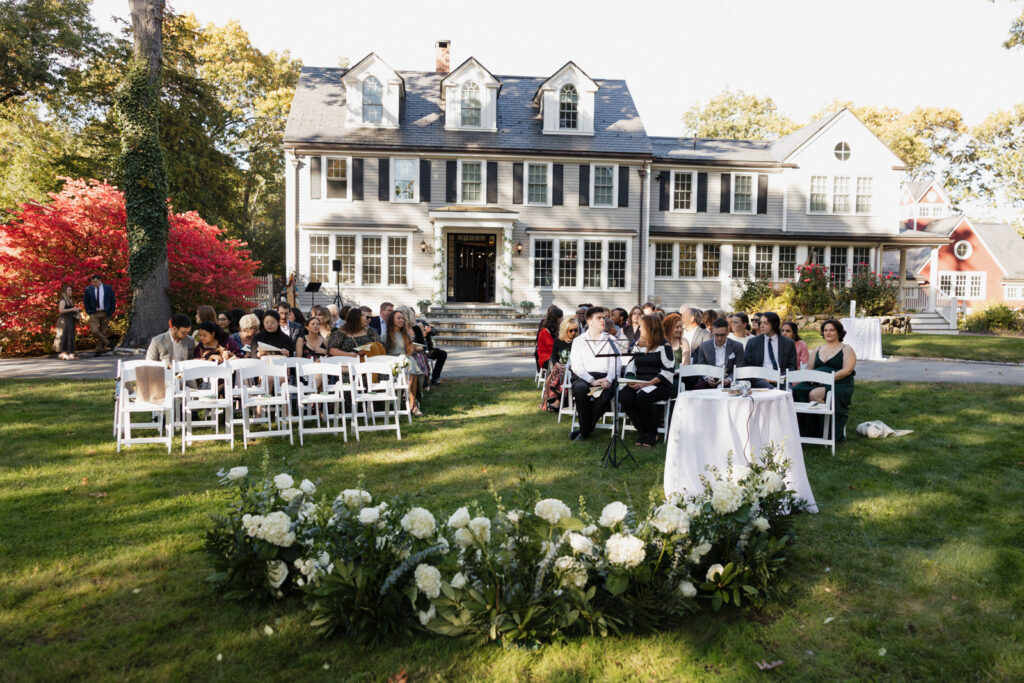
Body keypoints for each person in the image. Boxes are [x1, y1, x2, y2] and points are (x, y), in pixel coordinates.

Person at [791, 318, 857, 442]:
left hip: (839, 383)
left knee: (814, 394)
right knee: (796, 390)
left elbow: (847, 370)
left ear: (839, 332)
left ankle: (828, 429)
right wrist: (811, 378)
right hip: (817, 381)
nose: (828, 332)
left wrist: (827, 379)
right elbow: (810, 367)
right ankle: (806, 430)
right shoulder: (817, 349)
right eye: (825, 330)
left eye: (832, 330)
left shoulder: (847, 349)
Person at [619, 314, 675, 447]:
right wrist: (630, 380)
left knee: (643, 397)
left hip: (660, 384)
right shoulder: (640, 343)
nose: (639, 330)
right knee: (624, 395)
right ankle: (642, 430)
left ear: (651, 329)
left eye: (642, 327)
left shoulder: (665, 345)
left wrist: (648, 383)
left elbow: (668, 371)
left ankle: (652, 432)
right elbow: (632, 363)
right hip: (640, 382)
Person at [567, 306, 617, 442]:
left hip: (605, 377)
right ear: (589, 321)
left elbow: (615, 364)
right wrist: (591, 380)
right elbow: (576, 366)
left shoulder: (611, 339)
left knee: (605, 397)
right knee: (580, 389)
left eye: (604, 317)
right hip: (584, 377)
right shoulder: (579, 341)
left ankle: (584, 430)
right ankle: (586, 429)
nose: (603, 320)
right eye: (599, 318)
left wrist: (609, 379)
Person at [742, 312, 797, 388]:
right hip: (760, 379)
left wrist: (780, 378)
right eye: (760, 323)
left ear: (774, 325)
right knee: (770, 389)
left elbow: (792, 366)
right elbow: (747, 365)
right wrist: (763, 377)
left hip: (781, 378)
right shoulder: (753, 342)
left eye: (765, 323)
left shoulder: (788, 343)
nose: (761, 326)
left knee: (787, 390)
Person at [384, 307, 423, 416]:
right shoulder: (385, 335)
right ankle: (412, 404)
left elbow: (409, 352)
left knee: (411, 364)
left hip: (406, 361)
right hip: (391, 363)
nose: (402, 320)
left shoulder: (406, 335)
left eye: (402, 318)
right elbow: (382, 353)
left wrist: (412, 350)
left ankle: (411, 400)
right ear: (392, 320)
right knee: (412, 367)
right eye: (399, 318)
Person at [692, 318, 744, 389]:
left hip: (729, 382)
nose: (719, 338)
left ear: (728, 332)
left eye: (722, 335)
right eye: (716, 335)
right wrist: (707, 378)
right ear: (712, 332)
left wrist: (729, 379)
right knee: (697, 390)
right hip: (709, 380)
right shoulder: (704, 346)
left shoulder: (737, 346)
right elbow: (701, 366)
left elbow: (739, 367)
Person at [541, 316, 579, 412]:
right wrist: (557, 364)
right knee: (552, 378)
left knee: (563, 376)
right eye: (571, 331)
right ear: (564, 330)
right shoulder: (558, 341)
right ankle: (550, 401)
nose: (573, 333)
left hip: (573, 368)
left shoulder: (578, 341)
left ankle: (557, 402)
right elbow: (554, 357)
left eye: (575, 330)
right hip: (560, 367)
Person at [83, 274, 115, 356]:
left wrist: (111, 311)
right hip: (94, 313)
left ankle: (99, 350)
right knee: (94, 331)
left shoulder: (108, 288)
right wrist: (89, 311)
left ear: (100, 280)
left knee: (103, 332)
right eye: (93, 282)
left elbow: (112, 300)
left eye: (95, 282)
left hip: (105, 313)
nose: (94, 284)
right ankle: (108, 343)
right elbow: (86, 302)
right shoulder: (88, 289)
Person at [416, 318, 447, 385]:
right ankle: (424, 381)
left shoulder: (421, 321)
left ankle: (435, 377)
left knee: (442, 353)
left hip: (428, 350)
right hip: (418, 351)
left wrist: (429, 330)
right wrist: (421, 334)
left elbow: (434, 331)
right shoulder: (411, 325)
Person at [55, 283, 80, 360]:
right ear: (65, 292)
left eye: (71, 290)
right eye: (69, 290)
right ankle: (62, 353)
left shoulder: (70, 300)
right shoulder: (63, 300)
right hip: (64, 320)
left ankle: (69, 352)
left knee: (70, 336)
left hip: (70, 319)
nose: (71, 291)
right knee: (64, 336)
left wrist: (76, 312)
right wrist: (72, 309)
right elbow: (61, 310)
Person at [535, 305, 563, 373]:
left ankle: (565, 381)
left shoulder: (556, 330)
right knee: (562, 365)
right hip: (546, 359)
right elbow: (552, 347)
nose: (562, 319)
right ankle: (554, 382)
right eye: (560, 317)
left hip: (555, 357)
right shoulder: (544, 332)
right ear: (555, 318)